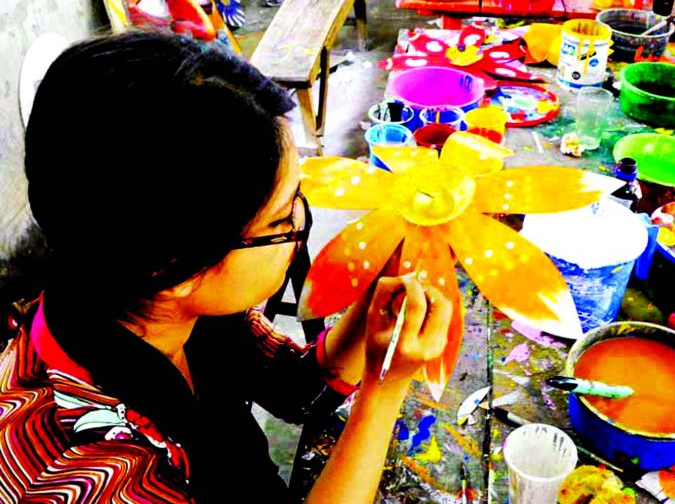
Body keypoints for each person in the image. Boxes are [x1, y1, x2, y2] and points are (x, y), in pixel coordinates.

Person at [0, 32, 452, 503]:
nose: (302, 222)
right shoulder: (80, 473)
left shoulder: (168, 304)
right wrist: (383, 393)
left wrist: (376, 300)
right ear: (174, 266)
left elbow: (294, 387)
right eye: (282, 216)